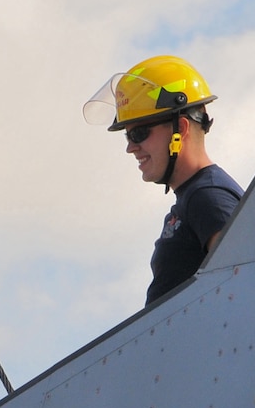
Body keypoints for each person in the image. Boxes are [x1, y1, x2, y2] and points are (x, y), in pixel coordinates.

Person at [84, 55, 243, 304]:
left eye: (138, 133)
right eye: (128, 137)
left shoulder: (209, 198)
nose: (131, 148)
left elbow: (242, 284)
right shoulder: (193, 198)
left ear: (181, 127)